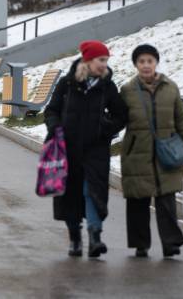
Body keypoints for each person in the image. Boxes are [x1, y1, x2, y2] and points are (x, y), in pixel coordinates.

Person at [44, 40, 127, 258]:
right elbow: (51, 110)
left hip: (96, 150)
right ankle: (75, 239)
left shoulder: (107, 86)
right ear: (88, 61)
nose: (104, 65)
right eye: (101, 60)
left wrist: (105, 129)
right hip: (67, 149)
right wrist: (55, 128)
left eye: (106, 61)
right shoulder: (67, 84)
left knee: (92, 192)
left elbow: (121, 115)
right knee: (70, 194)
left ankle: (95, 238)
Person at [120, 44, 183, 258]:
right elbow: (118, 119)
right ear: (136, 64)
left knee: (166, 201)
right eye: (141, 61)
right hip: (137, 153)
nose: (146, 65)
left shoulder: (170, 88)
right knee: (138, 202)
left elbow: (181, 120)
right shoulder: (127, 90)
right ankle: (140, 244)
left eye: (149, 61)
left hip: (166, 153)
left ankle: (171, 244)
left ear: (156, 62)